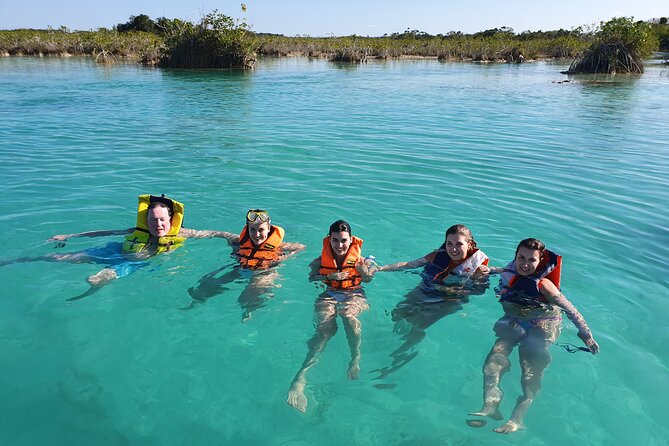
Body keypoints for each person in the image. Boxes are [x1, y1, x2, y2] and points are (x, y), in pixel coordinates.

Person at [469, 238, 599, 434]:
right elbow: (499, 271)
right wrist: (488, 270)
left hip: (543, 324)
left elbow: (571, 309)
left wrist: (585, 334)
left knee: (529, 366)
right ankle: (490, 404)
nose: (525, 264)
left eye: (532, 260)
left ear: (540, 263)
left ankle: (517, 418)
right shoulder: (509, 272)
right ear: (515, 257)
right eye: (521, 258)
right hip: (515, 320)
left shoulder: (545, 285)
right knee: (495, 356)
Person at [2, 194, 230, 299]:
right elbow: (103, 232)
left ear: (170, 219)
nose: (158, 224)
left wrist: (232, 238)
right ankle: (19, 260)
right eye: (152, 220)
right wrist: (70, 235)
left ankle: (101, 278)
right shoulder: (134, 231)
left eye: (162, 220)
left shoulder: (183, 233)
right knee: (67, 257)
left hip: (136, 262)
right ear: (146, 220)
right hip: (114, 250)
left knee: (124, 267)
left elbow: (212, 233)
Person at [370, 224, 491, 378]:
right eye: (450, 244)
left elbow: (479, 291)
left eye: (459, 244)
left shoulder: (478, 267)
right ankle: (396, 339)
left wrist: (455, 291)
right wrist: (380, 268)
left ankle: (401, 355)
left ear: (469, 244)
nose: (453, 249)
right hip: (426, 290)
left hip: (450, 299)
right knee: (398, 312)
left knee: (417, 323)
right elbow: (409, 264)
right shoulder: (437, 256)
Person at [286, 220, 375, 413]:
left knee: (349, 316)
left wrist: (363, 272)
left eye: (344, 241)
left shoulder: (361, 261)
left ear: (351, 241)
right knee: (325, 329)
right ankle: (301, 376)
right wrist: (329, 278)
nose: (340, 245)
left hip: (355, 294)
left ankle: (355, 358)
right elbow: (312, 278)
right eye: (335, 240)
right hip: (329, 295)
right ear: (329, 239)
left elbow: (368, 278)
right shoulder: (319, 262)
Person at [186, 209, 305, 321]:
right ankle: (195, 303)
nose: (257, 234)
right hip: (241, 268)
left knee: (250, 296)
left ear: (268, 228)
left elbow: (301, 247)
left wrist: (284, 258)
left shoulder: (279, 246)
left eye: (261, 230)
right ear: (247, 229)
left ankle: (249, 313)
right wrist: (193, 233)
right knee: (209, 283)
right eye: (252, 230)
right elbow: (218, 233)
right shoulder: (239, 240)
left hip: (263, 273)